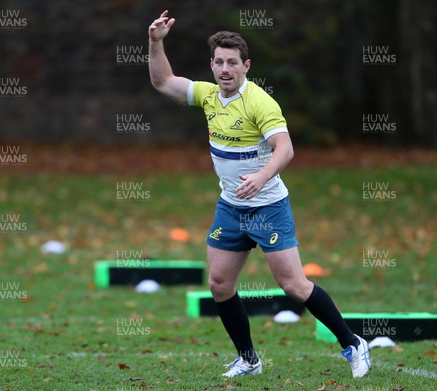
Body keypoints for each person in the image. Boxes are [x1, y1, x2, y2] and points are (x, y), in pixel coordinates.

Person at [148, 10, 370, 378]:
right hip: (231, 208)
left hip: (267, 206)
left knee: (293, 285)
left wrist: (262, 177)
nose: (224, 69)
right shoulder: (207, 97)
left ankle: (352, 343)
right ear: (212, 65)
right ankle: (249, 359)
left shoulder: (260, 102)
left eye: (232, 62)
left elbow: (285, 148)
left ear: (245, 65)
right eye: (218, 62)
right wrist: (155, 42)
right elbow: (162, 81)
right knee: (219, 284)